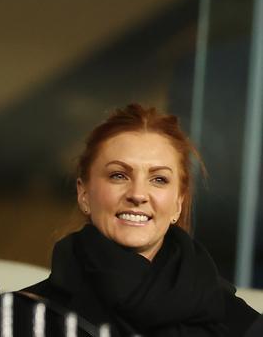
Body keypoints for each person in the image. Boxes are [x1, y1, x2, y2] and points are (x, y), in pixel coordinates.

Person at [16, 104, 260, 336]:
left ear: (178, 203)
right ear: (84, 194)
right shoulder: (21, 314)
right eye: (119, 175)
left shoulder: (236, 321)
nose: (138, 194)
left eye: (159, 179)